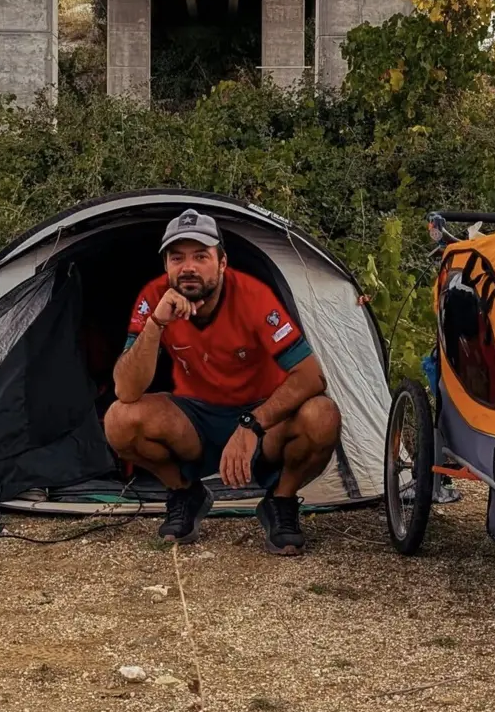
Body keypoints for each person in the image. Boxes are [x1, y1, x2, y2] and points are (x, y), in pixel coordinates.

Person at [104, 208, 342, 555]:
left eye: (201, 256)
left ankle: (281, 501)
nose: (188, 267)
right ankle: (186, 492)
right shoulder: (154, 298)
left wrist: (252, 424)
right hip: (196, 418)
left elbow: (311, 375)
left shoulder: (253, 296)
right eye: (177, 257)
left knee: (323, 415)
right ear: (166, 266)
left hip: (261, 417)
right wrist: (156, 323)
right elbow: (126, 390)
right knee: (119, 419)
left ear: (222, 263)